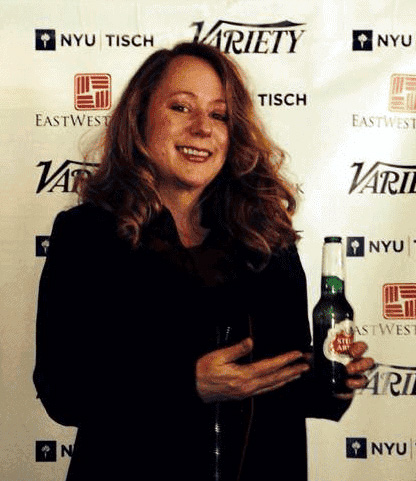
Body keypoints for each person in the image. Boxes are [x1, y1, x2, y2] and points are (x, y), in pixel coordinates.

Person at [33, 41, 374, 481]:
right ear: (139, 118)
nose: (202, 128)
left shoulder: (267, 237)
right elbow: (62, 391)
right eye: (181, 107)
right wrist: (187, 383)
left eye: (219, 115)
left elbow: (282, 381)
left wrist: (332, 377)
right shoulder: (87, 235)